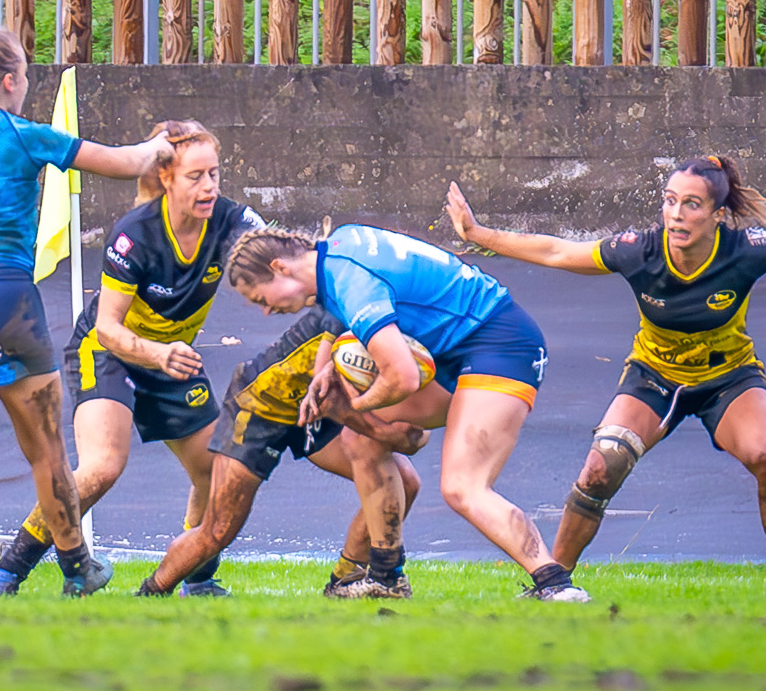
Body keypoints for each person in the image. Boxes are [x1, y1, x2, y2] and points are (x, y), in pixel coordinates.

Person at [444, 158, 766, 603]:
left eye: (691, 204)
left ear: (717, 214)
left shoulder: (748, 249)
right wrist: (478, 233)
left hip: (728, 378)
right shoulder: (638, 250)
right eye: (670, 201)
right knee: (600, 467)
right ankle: (552, 582)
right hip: (654, 378)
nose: (676, 214)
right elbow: (559, 252)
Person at [0, 11, 173, 600]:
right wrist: (159, 146)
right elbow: (122, 163)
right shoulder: (19, 133)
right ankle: (77, 569)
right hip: (3, 303)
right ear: (10, 80)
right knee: (45, 450)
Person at [223, 223, 590, 602]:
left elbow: (402, 375)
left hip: (501, 346)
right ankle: (386, 577)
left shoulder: (352, 282)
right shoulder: (337, 249)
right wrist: (330, 368)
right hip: (458, 347)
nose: (265, 310)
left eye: (259, 297)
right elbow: (363, 308)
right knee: (360, 438)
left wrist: (350, 406)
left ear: (281, 267)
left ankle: (556, 585)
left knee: (463, 485)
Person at [0, 121, 264, 598]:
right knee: (103, 466)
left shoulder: (232, 220)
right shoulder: (135, 235)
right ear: (167, 178)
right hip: (110, 348)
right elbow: (109, 328)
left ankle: (197, 576)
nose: (210, 186)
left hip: (172, 357)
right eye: (196, 176)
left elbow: (278, 252)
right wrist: (157, 353)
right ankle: (9, 571)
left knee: (214, 472)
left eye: (214, 174)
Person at [136, 307, 427, 599]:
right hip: (262, 402)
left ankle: (345, 581)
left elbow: (418, 418)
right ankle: (152, 593)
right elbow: (337, 403)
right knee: (219, 528)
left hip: (316, 402)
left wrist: (405, 430)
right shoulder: (362, 301)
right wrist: (385, 432)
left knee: (403, 481)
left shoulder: (423, 328)